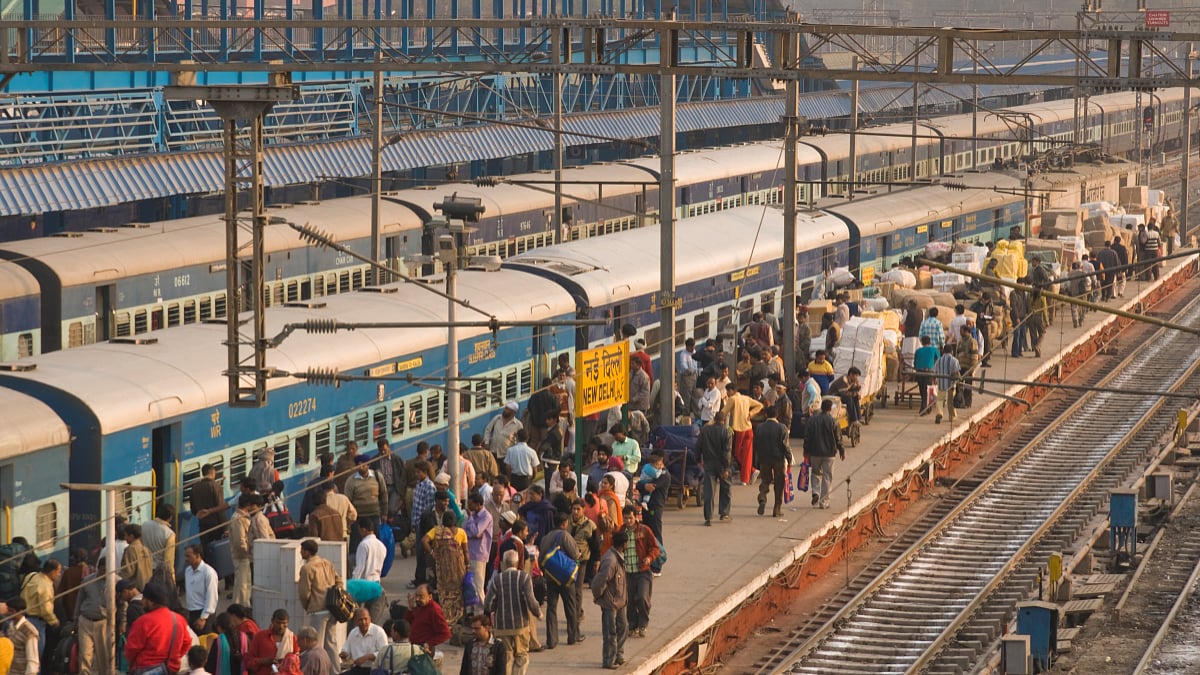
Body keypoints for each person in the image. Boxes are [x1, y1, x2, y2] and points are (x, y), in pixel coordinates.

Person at [484, 550, 541, 675]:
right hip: (520, 625)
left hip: (502, 626)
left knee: (506, 656)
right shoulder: (524, 577)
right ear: (517, 562)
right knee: (521, 655)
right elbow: (530, 600)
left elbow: (488, 604)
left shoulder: (496, 580)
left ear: (504, 563)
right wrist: (538, 613)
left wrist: (494, 609)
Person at [124, 582, 192, 672]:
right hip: (170, 669)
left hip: (146, 668)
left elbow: (131, 649)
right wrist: (174, 657)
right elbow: (187, 642)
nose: (142, 601)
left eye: (144, 599)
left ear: (151, 602)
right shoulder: (178, 619)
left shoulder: (143, 622)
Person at [540, 511, 583, 648]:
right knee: (570, 606)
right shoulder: (565, 535)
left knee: (551, 608)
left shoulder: (546, 537)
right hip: (565, 577)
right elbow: (575, 554)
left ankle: (551, 640)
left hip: (551, 577)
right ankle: (573, 636)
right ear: (565, 523)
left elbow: (541, 558)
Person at [297, 539, 339, 666]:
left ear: (307, 552)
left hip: (318, 609)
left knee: (316, 646)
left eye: (302, 550)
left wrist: (307, 606)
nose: (300, 553)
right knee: (331, 644)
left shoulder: (307, 568)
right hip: (333, 608)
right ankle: (335, 672)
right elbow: (339, 580)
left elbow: (304, 593)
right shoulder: (327, 563)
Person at [423, 510, 469, 627]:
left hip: (442, 570)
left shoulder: (437, 531)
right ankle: (457, 619)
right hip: (458, 571)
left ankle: (446, 621)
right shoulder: (461, 532)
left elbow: (424, 541)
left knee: (444, 594)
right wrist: (467, 565)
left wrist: (432, 553)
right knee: (458, 595)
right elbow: (466, 551)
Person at [620, 505, 659, 639]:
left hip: (643, 571)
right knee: (630, 601)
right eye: (626, 518)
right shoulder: (621, 532)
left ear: (635, 517)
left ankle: (643, 624)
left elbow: (655, 548)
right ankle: (633, 625)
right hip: (628, 573)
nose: (628, 521)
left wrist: (649, 557)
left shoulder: (644, 530)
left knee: (642, 598)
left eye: (630, 518)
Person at [592, 529, 628, 670]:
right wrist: (600, 597)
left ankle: (618, 655)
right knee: (610, 633)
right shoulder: (610, 560)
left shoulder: (618, 557)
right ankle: (608, 660)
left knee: (623, 628)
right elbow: (599, 582)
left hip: (620, 601)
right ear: (623, 544)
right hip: (610, 603)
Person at [230, 493, 273, 606]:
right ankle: (241, 607)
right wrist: (248, 552)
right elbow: (240, 541)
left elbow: (263, 540)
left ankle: (243, 606)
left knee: (245, 584)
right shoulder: (239, 518)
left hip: (249, 556)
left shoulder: (253, 518)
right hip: (242, 556)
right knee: (242, 585)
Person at [803, 399, 844, 510]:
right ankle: (824, 501)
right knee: (827, 476)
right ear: (830, 409)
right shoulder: (833, 421)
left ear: (821, 407)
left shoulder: (812, 420)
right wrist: (842, 451)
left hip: (815, 452)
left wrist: (806, 451)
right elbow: (838, 438)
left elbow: (807, 437)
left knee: (815, 473)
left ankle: (815, 492)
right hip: (829, 454)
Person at [753, 409, 792, 518]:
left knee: (765, 480)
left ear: (766, 415)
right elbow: (785, 445)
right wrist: (789, 459)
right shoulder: (782, 428)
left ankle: (762, 498)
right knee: (779, 483)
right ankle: (777, 509)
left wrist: (757, 460)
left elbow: (756, 444)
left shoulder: (760, 428)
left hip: (764, 459)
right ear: (777, 415)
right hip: (778, 459)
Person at [345, 455, 388, 553]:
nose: (361, 467)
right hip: (358, 517)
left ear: (368, 465)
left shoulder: (377, 476)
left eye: (364, 465)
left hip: (374, 516)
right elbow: (348, 501)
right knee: (356, 544)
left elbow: (384, 494)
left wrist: (384, 513)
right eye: (359, 465)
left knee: (374, 542)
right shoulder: (351, 481)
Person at [74, 558, 110, 675]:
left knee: (103, 656)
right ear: (98, 568)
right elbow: (79, 601)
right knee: (84, 655)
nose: (104, 573)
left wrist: (122, 623)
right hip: (85, 620)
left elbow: (122, 604)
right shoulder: (87, 581)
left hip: (103, 622)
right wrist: (75, 620)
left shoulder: (115, 582)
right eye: (102, 570)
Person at [697, 410, 733, 525]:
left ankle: (708, 517)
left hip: (709, 464)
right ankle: (724, 513)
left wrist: (698, 460)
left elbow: (698, 446)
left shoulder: (705, 430)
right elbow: (727, 451)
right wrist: (726, 468)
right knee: (726, 488)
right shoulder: (726, 432)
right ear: (724, 420)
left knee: (709, 491)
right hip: (722, 465)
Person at [20, 558, 60, 658]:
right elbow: (46, 610)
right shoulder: (45, 586)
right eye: (58, 572)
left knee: (25, 652)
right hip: (37, 622)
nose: (59, 575)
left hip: (23, 618)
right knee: (36, 654)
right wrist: (54, 622)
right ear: (52, 571)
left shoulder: (32, 575)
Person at [725, 383, 763, 485]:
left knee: (737, 454)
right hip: (749, 428)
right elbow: (760, 405)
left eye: (728, 391)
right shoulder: (746, 398)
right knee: (747, 454)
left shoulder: (732, 399)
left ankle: (751, 471)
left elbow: (723, 413)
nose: (727, 394)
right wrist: (751, 414)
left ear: (732, 391)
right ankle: (745, 478)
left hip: (739, 429)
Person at [463, 492, 494, 606]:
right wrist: (473, 534)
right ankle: (473, 612)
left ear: (478, 504)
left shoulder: (486, 516)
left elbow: (476, 532)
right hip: (469, 552)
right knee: (470, 585)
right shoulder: (473, 515)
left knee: (478, 585)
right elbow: (465, 532)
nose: (469, 507)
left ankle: (483, 612)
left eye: (471, 504)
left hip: (479, 554)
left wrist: (470, 519)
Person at [247, 609, 299, 675]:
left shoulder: (292, 638)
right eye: (278, 623)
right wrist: (263, 661)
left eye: (284, 624)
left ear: (288, 623)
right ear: (272, 621)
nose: (281, 627)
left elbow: (297, 662)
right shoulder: (260, 637)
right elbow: (249, 661)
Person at [191, 463, 230, 547]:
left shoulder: (194, 487)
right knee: (217, 551)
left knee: (205, 549)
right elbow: (220, 508)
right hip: (216, 525)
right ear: (212, 472)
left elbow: (193, 510)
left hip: (203, 525)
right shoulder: (216, 486)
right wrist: (225, 528)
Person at [636, 450, 671, 545]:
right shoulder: (649, 471)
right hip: (645, 506)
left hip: (656, 506)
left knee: (656, 532)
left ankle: (659, 554)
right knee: (646, 531)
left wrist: (644, 485)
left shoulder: (664, 474)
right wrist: (644, 485)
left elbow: (651, 487)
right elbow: (638, 485)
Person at [339, 608, 387, 675]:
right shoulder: (353, 633)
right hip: (358, 669)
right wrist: (344, 654)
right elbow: (346, 649)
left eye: (365, 619)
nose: (363, 622)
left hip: (374, 670)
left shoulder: (378, 632)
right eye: (360, 620)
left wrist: (367, 657)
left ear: (370, 619)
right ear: (356, 621)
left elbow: (384, 653)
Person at [405, 584, 452, 653]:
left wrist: (429, 643)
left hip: (424, 649)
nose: (417, 599)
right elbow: (406, 623)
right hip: (413, 646)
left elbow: (446, 633)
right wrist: (410, 609)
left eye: (421, 596)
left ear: (430, 597)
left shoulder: (434, 610)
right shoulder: (419, 606)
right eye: (416, 596)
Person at [183, 544, 219, 633]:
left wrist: (203, 618)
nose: (186, 559)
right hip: (191, 613)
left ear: (197, 556)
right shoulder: (188, 571)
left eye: (188, 556)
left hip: (204, 615)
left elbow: (212, 597)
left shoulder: (209, 572)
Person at [142, 504, 178, 584]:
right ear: (170, 517)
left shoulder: (145, 525)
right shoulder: (169, 534)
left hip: (144, 567)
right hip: (158, 571)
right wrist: (172, 580)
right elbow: (168, 561)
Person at [6, 598, 40, 675]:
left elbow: (32, 659)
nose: (8, 613)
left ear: (21, 611)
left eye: (11, 611)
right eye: (8, 610)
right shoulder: (9, 626)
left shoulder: (30, 632)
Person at [352, 517, 387, 582]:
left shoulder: (363, 545)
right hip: (377, 582)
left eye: (359, 530)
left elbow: (359, 568)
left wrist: (352, 584)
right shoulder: (382, 546)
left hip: (365, 583)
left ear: (363, 530)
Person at [933, 348, 961, 425]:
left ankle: (939, 413)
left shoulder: (939, 360)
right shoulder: (954, 360)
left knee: (940, 400)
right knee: (950, 401)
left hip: (941, 383)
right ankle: (952, 417)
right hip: (951, 384)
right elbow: (957, 372)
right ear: (951, 351)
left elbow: (934, 371)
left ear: (943, 352)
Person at [913, 335, 939, 414]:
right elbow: (938, 359)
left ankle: (925, 406)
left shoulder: (918, 350)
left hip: (919, 372)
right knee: (928, 389)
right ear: (930, 342)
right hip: (929, 372)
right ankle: (925, 407)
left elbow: (915, 362)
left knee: (922, 389)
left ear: (922, 342)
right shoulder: (934, 350)